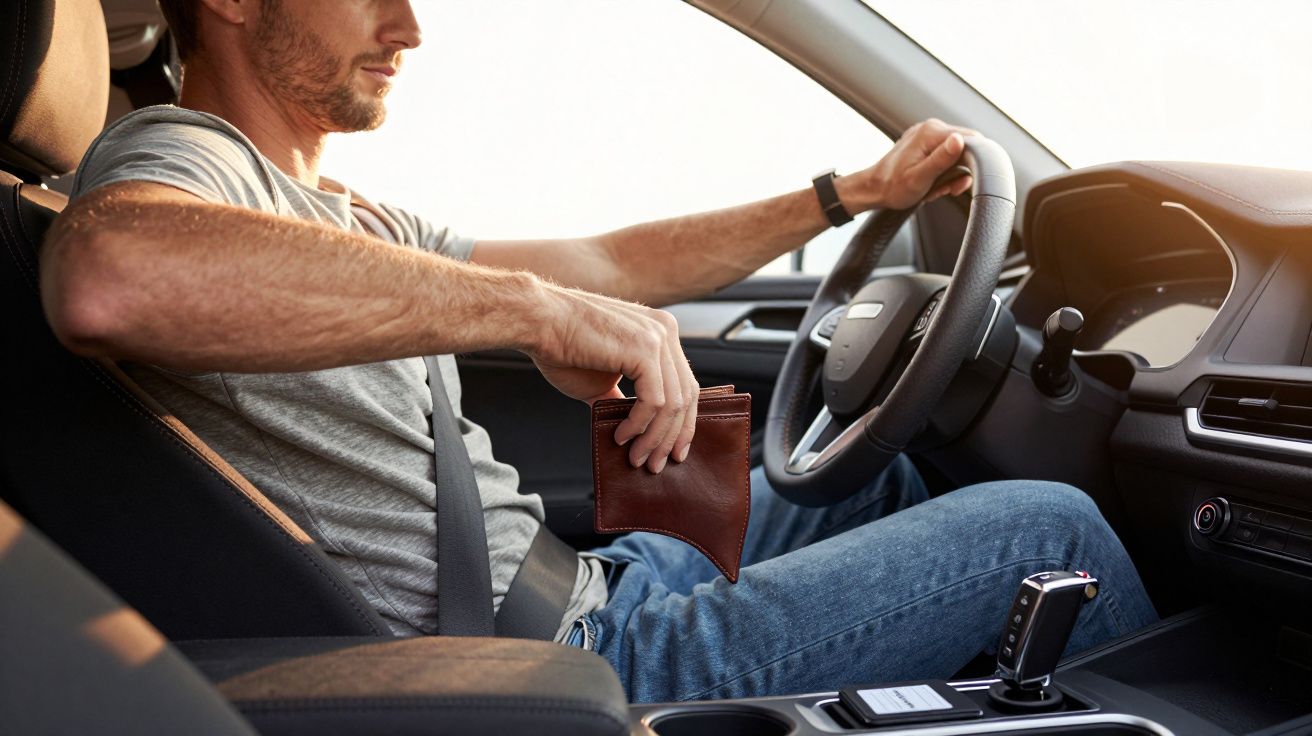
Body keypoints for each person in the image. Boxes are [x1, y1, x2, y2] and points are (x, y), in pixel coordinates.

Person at [40, 0, 1156, 702]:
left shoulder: (345, 217)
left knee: (885, 477)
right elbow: (111, 275)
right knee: (1051, 529)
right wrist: (534, 311)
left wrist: (844, 194)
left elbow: (608, 262)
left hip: (580, 586)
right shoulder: (175, 152)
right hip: (554, 662)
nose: (411, 28)